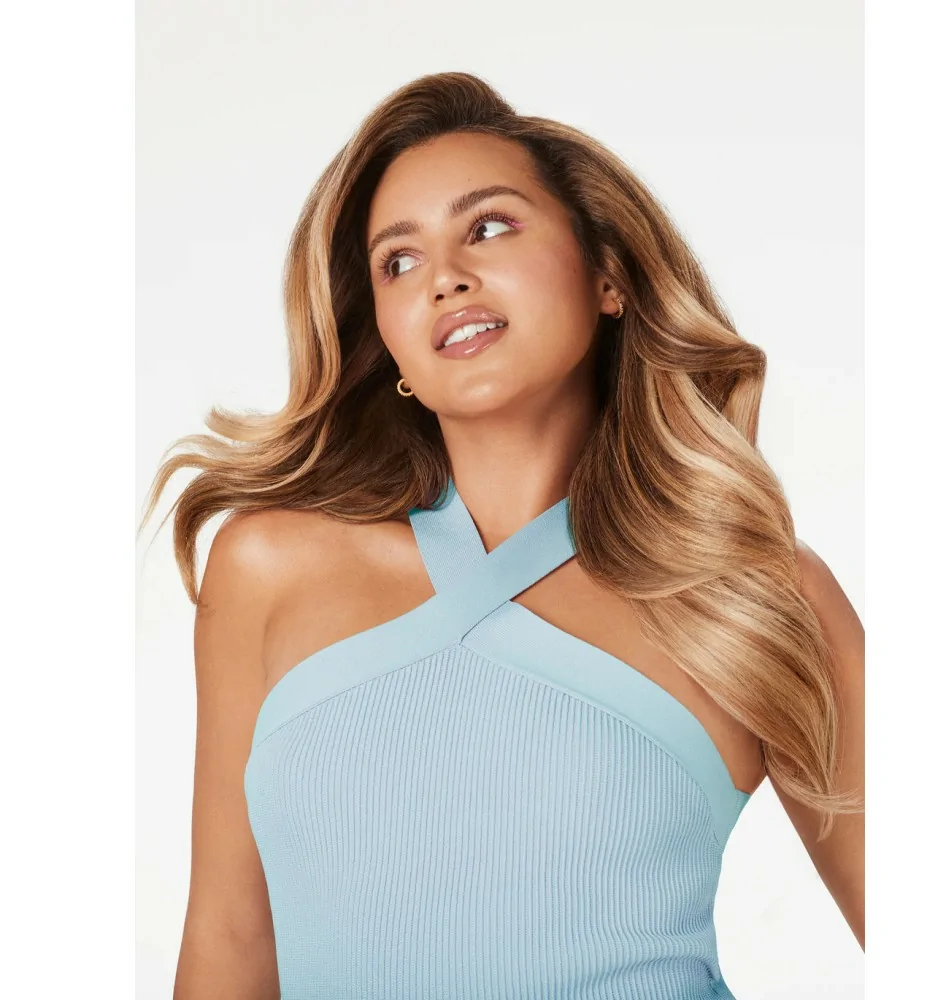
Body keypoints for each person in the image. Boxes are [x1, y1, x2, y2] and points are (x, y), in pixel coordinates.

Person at [143, 71, 864, 1000]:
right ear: (388, 339)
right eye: (398, 262)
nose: (444, 276)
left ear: (608, 276)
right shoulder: (268, 567)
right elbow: (229, 943)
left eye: (488, 227)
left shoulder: (754, 595)